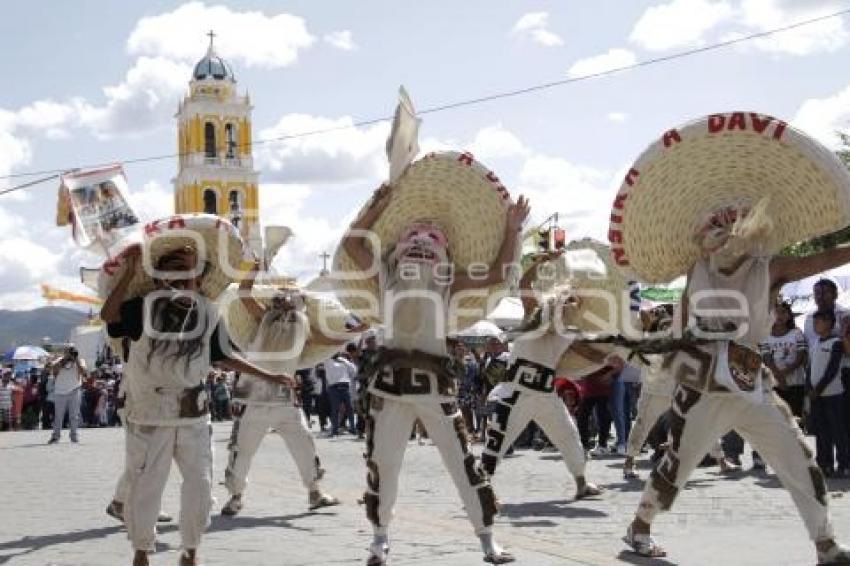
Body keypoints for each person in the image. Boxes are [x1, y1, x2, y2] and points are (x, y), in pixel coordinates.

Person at [611, 112, 850, 563]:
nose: (724, 236)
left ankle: (825, 544)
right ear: (704, 238)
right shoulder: (695, 270)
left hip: (752, 381)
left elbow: (822, 258)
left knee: (798, 460)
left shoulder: (770, 269)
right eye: (716, 228)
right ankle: (639, 526)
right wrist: (667, 356)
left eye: (732, 226)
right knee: (676, 463)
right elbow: (679, 324)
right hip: (701, 385)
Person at [339, 138, 527, 562]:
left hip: (435, 387)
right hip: (388, 388)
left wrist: (513, 229)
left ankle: (486, 539)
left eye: (432, 237)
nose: (423, 240)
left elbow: (500, 272)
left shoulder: (448, 281)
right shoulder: (385, 274)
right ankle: (379, 538)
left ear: (444, 254)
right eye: (414, 235)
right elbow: (353, 243)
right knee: (383, 466)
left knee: (463, 464)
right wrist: (378, 202)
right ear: (398, 247)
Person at [100, 215, 295, 566]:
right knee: (147, 486)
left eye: (190, 270)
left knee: (200, 485)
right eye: (175, 268)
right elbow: (109, 316)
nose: (183, 276)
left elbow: (225, 356)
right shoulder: (139, 308)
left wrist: (269, 374)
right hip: (149, 415)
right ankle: (142, 551)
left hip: (194, 414)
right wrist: (128, 275)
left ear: (199, 277)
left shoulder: (207, 311)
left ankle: (190, 551)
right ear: (160, 276)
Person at [220, 264, 357, 516]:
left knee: (304, 444)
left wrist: (353, 332)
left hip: (285, 402)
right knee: (242, 450)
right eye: (282, 298)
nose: (286, 301)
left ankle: (315, 492)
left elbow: (329, 338)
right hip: (254, 400)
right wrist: (253, 269)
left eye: (291, 298)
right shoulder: (264, 318)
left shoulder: (303, 328)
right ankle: (236, 496)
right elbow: (244, 293)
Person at [480, 251, 603, 499]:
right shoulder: (535, 314)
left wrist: (613, 354)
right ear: (554, 301)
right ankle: (481, 490)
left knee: (569, 436)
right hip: (518, 391)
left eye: (572, 301)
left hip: (546, 394)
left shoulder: (567, 332)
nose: (569, 303)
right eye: (565, 298)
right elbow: (525, 285)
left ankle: (581, 483)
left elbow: (590, 353)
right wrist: (540, 263)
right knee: (499, 440)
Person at [807, 309, 850, 477]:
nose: (816, 323)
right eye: (815, 321)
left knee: (838, 431)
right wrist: (809, 389)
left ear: (831, 324)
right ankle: (825, 464)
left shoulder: (836, 343)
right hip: (817, 396)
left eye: (821, 320)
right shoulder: (816, 342)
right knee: (821, 432)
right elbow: (810, 368)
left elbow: (832, 370)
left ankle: (844, 464)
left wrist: (818, 389)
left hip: (833, 394)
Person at [761, 300, 808, 419]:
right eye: (776, 313)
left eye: (783, 312)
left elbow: (801, 356)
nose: (779, 316)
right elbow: (767, 358)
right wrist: (779, 377)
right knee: (777, 419)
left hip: (796, 383)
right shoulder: (766, 335)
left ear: (789, 315)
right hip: (774, 383)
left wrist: (785, 372)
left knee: (796, 418)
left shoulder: (797, 333)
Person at [48, 345, 85, 444]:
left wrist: (76, 359)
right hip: (60, 391)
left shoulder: (80, 360)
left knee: (74, 415)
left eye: (72, 351)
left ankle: (74, 436)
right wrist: (64, 360)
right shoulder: (60, 360)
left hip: (74, 390)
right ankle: (56, 436)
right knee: (58, 416)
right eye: (69, 351)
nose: (71, 354)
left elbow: (83, 372)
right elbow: (52, 369)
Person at [324, 351, 357, 436]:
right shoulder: (327, 360)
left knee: (350, 408)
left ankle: (352, 428)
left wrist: (345, 361)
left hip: (345, 386)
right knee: (336, 409)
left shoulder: (343, 361)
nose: (337, 353)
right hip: (334, 387)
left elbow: (353, 370)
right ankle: (334, 430)